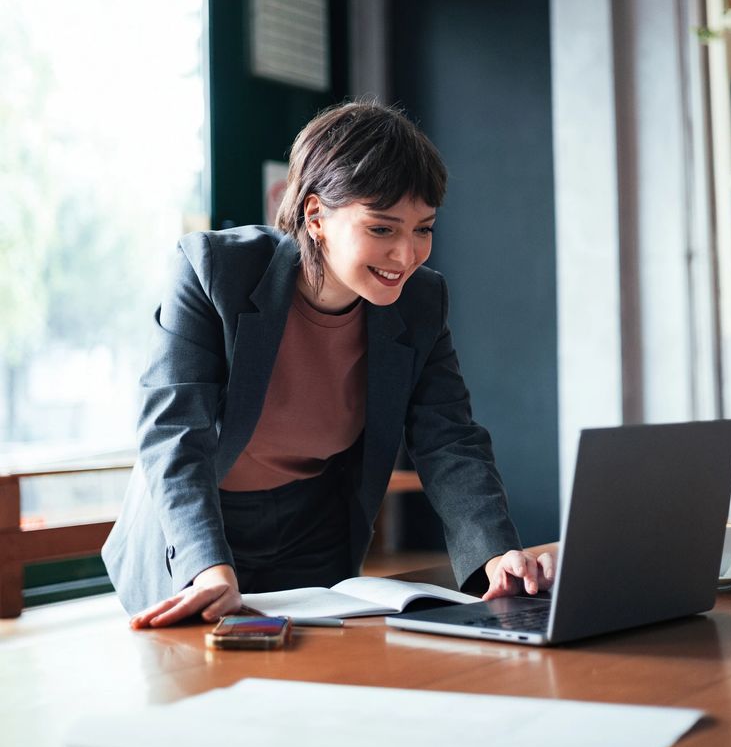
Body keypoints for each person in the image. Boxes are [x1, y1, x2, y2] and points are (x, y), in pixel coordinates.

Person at [102, 99, 556, 628]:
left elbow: (449, 438)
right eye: (383, 229)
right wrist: (207, 567)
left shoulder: (421, 301)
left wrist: (494, 556)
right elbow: (175, 431)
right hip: (199, 529)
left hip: (313, 528)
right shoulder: (213, 270)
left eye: (424, 228)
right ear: (315, 215)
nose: (407, 255)